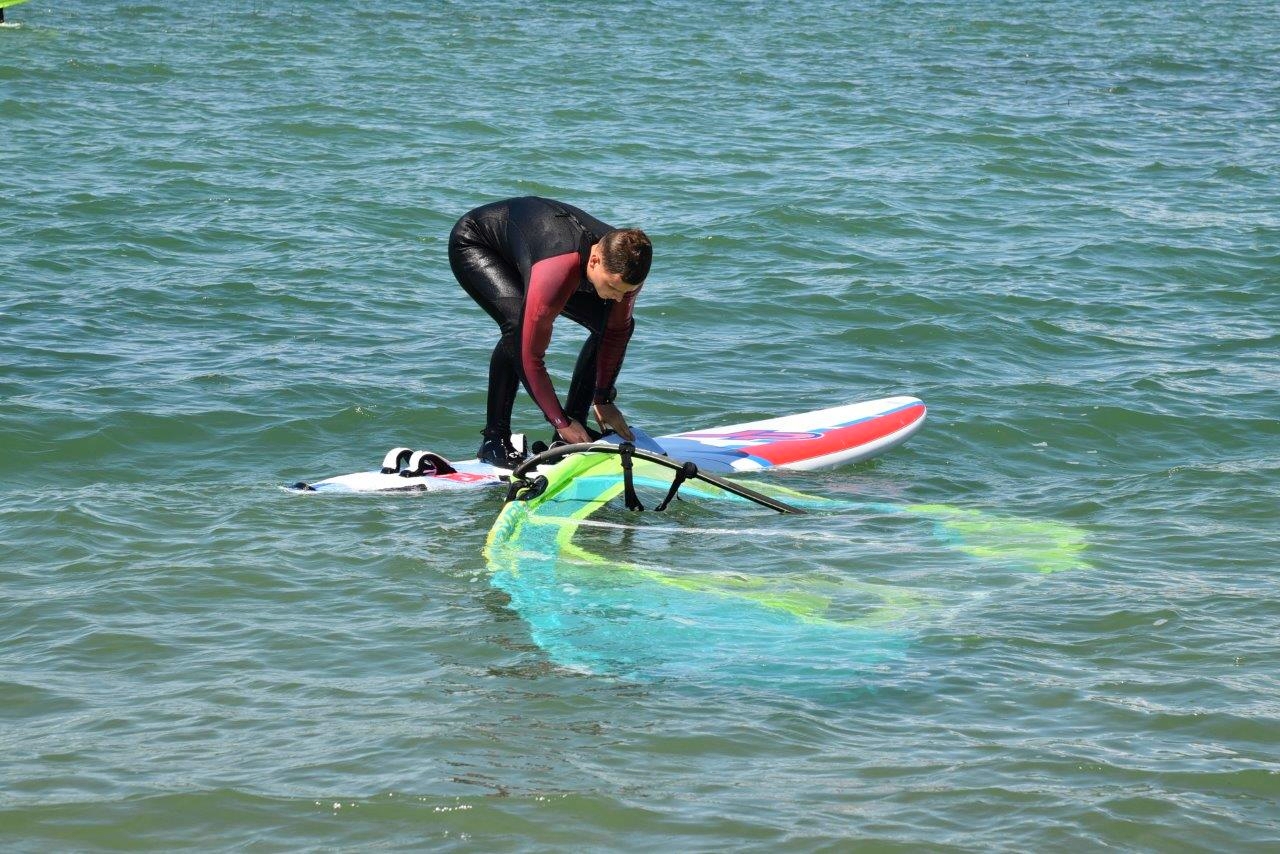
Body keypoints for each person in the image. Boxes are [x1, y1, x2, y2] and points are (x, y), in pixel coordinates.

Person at [448, 196, 652, 469]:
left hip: (534, 248)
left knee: (610, 323)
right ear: (594, 261)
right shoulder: (558, 267)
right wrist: (559, 420)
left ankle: (570, 434)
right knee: (517, 329)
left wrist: (603, 399)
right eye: (613, 288)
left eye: (626, 292)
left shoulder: (626, 267)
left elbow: (616, 332)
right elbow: (531, 357)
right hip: (479, 244)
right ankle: (494, 440)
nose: (618, 297)